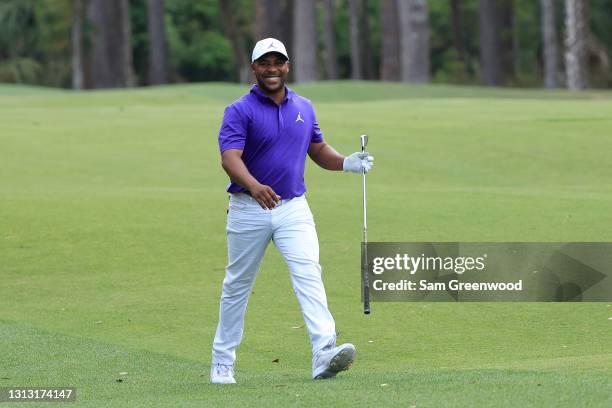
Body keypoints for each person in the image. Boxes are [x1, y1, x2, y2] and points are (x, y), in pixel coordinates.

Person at [211, 38, 374, 384]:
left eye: (278, 62)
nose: (272, 69)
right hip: (247, 208)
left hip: (293, 208)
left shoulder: (305, 106)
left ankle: (323, 352)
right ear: (253, 68)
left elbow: (318, 150)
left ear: (288, 66)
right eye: (264, 63)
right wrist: (254, 187)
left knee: (308, 272)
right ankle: (222, 361)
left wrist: (347, 162)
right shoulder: (238, 110)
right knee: (237, 284)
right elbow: (230, 158)